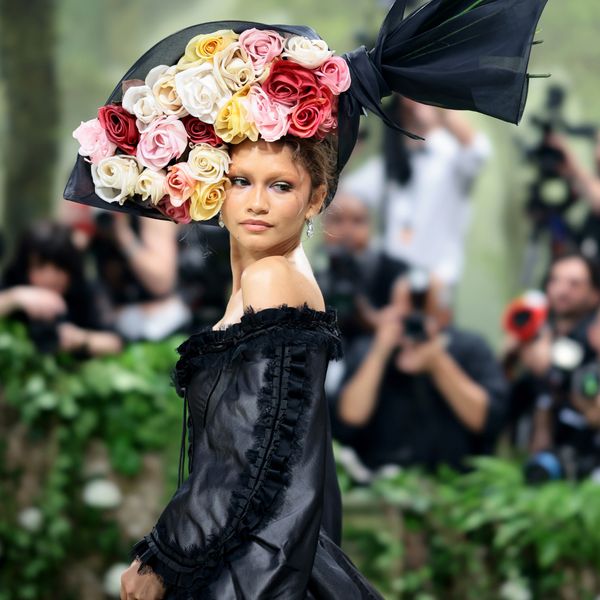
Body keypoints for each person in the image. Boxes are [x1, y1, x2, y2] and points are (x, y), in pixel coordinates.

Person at [62, 1, 548, 597]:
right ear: (215, 183)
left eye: (281, 185)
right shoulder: (266, 277)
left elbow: (251, 458)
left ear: (315, 200)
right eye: (241, 181)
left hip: (256, 571)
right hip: (259, 557)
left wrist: (163, 559)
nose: (257, 202)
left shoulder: (273, 281)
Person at [332, 274, 507, 472]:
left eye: (423, 310)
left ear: (446, 314)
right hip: (378, 482)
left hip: (454, 484)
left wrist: (438, 362)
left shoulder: (471, 347)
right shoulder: (369, 348)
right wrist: (380, 352)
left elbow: (486, 419)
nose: (414, 318)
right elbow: (348, 418)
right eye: (405, 309)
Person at [340, 95, 492, 291]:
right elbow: (343, 191)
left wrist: (437, 98)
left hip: (436, 284)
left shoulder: (452, 157)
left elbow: (479, 151)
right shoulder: (389, 164)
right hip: (390, 280)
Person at [0, 221, 123, 356]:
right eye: (40, 266)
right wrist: (15, 298)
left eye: (59, 267)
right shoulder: (13, 285)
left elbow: (115, 343)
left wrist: (79, 339)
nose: (50, 277)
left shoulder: (87, 292)